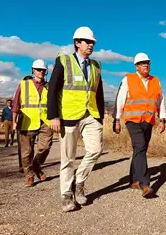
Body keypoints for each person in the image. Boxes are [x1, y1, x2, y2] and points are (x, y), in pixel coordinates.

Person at [48, 26, 105, 212]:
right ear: (77, 43)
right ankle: (66, 194)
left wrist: (101, 116)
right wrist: (53, 116)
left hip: (91, 115)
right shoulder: (63, 60)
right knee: (68, 159)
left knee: (95, 150)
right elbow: (53, 90)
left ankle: (79, 181)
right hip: (68, 116)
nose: (91, 45)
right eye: (87, 42)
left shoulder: (96, 65)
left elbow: (99, 93)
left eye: (92, 42)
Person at [113, 53, 166, 198]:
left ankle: (134, 180)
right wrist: (117, 119)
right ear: (136, 66)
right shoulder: (128, 79)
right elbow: (120, 100)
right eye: (142, 63)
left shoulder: (156, 81)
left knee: (140, 149)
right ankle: (145, 184)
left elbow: (161, 101)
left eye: (147, 63)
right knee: (140, 146)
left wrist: (162, 119)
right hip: (132, 120)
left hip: (148, 120)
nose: (146, 65)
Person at [12, 60, 53, 187]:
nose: (41, 72)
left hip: (45, 121)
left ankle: (36, 166)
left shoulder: (49, 86)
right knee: (26, 152)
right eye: (38, 69)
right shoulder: (24, 85)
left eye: (43, 70)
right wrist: (14, 121)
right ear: (33, 70)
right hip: (27, 122)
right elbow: (16, 104)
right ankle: (29, 176)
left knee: (45, 147)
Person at [15, 75, 33, 173]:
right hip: (21, 120)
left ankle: (30, 164)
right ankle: (22, 165)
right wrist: (14, 121)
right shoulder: (20, 91)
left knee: (31, 145)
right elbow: (16, 106)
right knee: (21, 145)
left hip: (33, 122)